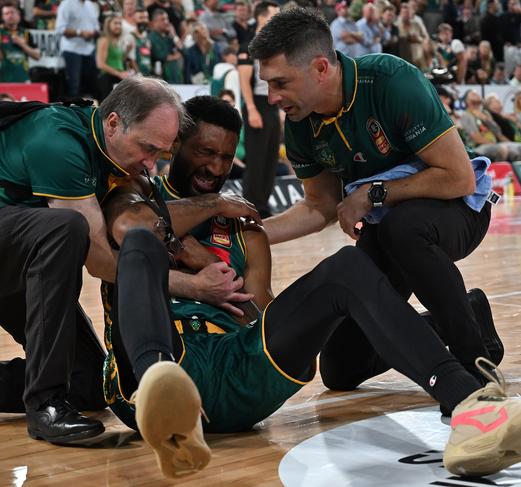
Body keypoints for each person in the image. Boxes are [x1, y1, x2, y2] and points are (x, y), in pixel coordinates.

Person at [100, 95, 521, 480]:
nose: (216, 167)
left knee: (347, 267)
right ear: (176, 147)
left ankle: (470, 403)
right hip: (159, 362)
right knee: (139, 243)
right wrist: (196, 279)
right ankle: (164, 395)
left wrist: (216, 269)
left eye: (227, 157)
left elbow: (262, 317)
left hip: (235, 366)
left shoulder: (245, 227)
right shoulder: (135, 193)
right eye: (205, 152)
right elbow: (129, 229)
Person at [0, 77, 231, 447]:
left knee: (88, 385)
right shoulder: (59, 142)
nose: (152, 165)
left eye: (161, 154)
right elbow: (100, 262)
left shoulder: (108, 147)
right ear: (114, 122)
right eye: (147, 148)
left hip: (18, 256)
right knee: (67, 228)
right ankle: (45, 406)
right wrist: (196, 288)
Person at [248, 8, 504, 399]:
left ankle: (474, 364)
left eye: (281, 82)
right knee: (340, 367)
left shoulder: (391, 80)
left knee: (404, 228)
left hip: (458, 208)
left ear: (320, 68)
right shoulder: (300, 123)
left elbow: (459, 178)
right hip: (389, 228)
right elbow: (320, 206)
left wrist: (372, 194)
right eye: (267, 84)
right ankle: (466, 319)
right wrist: (249, 235)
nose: (272, 97)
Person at [238, 0, 279, 219]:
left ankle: (262, 204)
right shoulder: (248, 45)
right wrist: (252, 109)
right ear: (262, 17)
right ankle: (249, 206)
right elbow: (244, 81)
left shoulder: (273, 46)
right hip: (256, 102)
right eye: (275, 14)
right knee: (256, 158)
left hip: (272, 103)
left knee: (270, 157)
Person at [55, 0, 100, 98]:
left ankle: (89, 110)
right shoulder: (66, 4)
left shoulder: (91, 5)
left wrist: (94, 33)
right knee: (74, 85)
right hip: (71, 49)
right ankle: (73, 111)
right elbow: (60, 29)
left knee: (92, 85)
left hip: (88, 49)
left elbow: (96, 27)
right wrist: (80, 33)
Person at [0, 3, 40, 82]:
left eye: (12, 12)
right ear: (2, 17)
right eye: (6, 13)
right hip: (3, 79)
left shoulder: (26, 33)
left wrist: (22, 45)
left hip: (23, 78)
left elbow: (37, 56)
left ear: (18, 15)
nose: (10, 16)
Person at [95, 15, 129, 102]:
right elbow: (100, 64)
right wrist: (118, 73)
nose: (118, 26)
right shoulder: (104, 40)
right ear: (108, 25)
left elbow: (118, 61)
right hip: (107, 78)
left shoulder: (118, 41)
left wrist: (128, 50)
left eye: (120, 24)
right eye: (115, 23)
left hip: (118, 78)